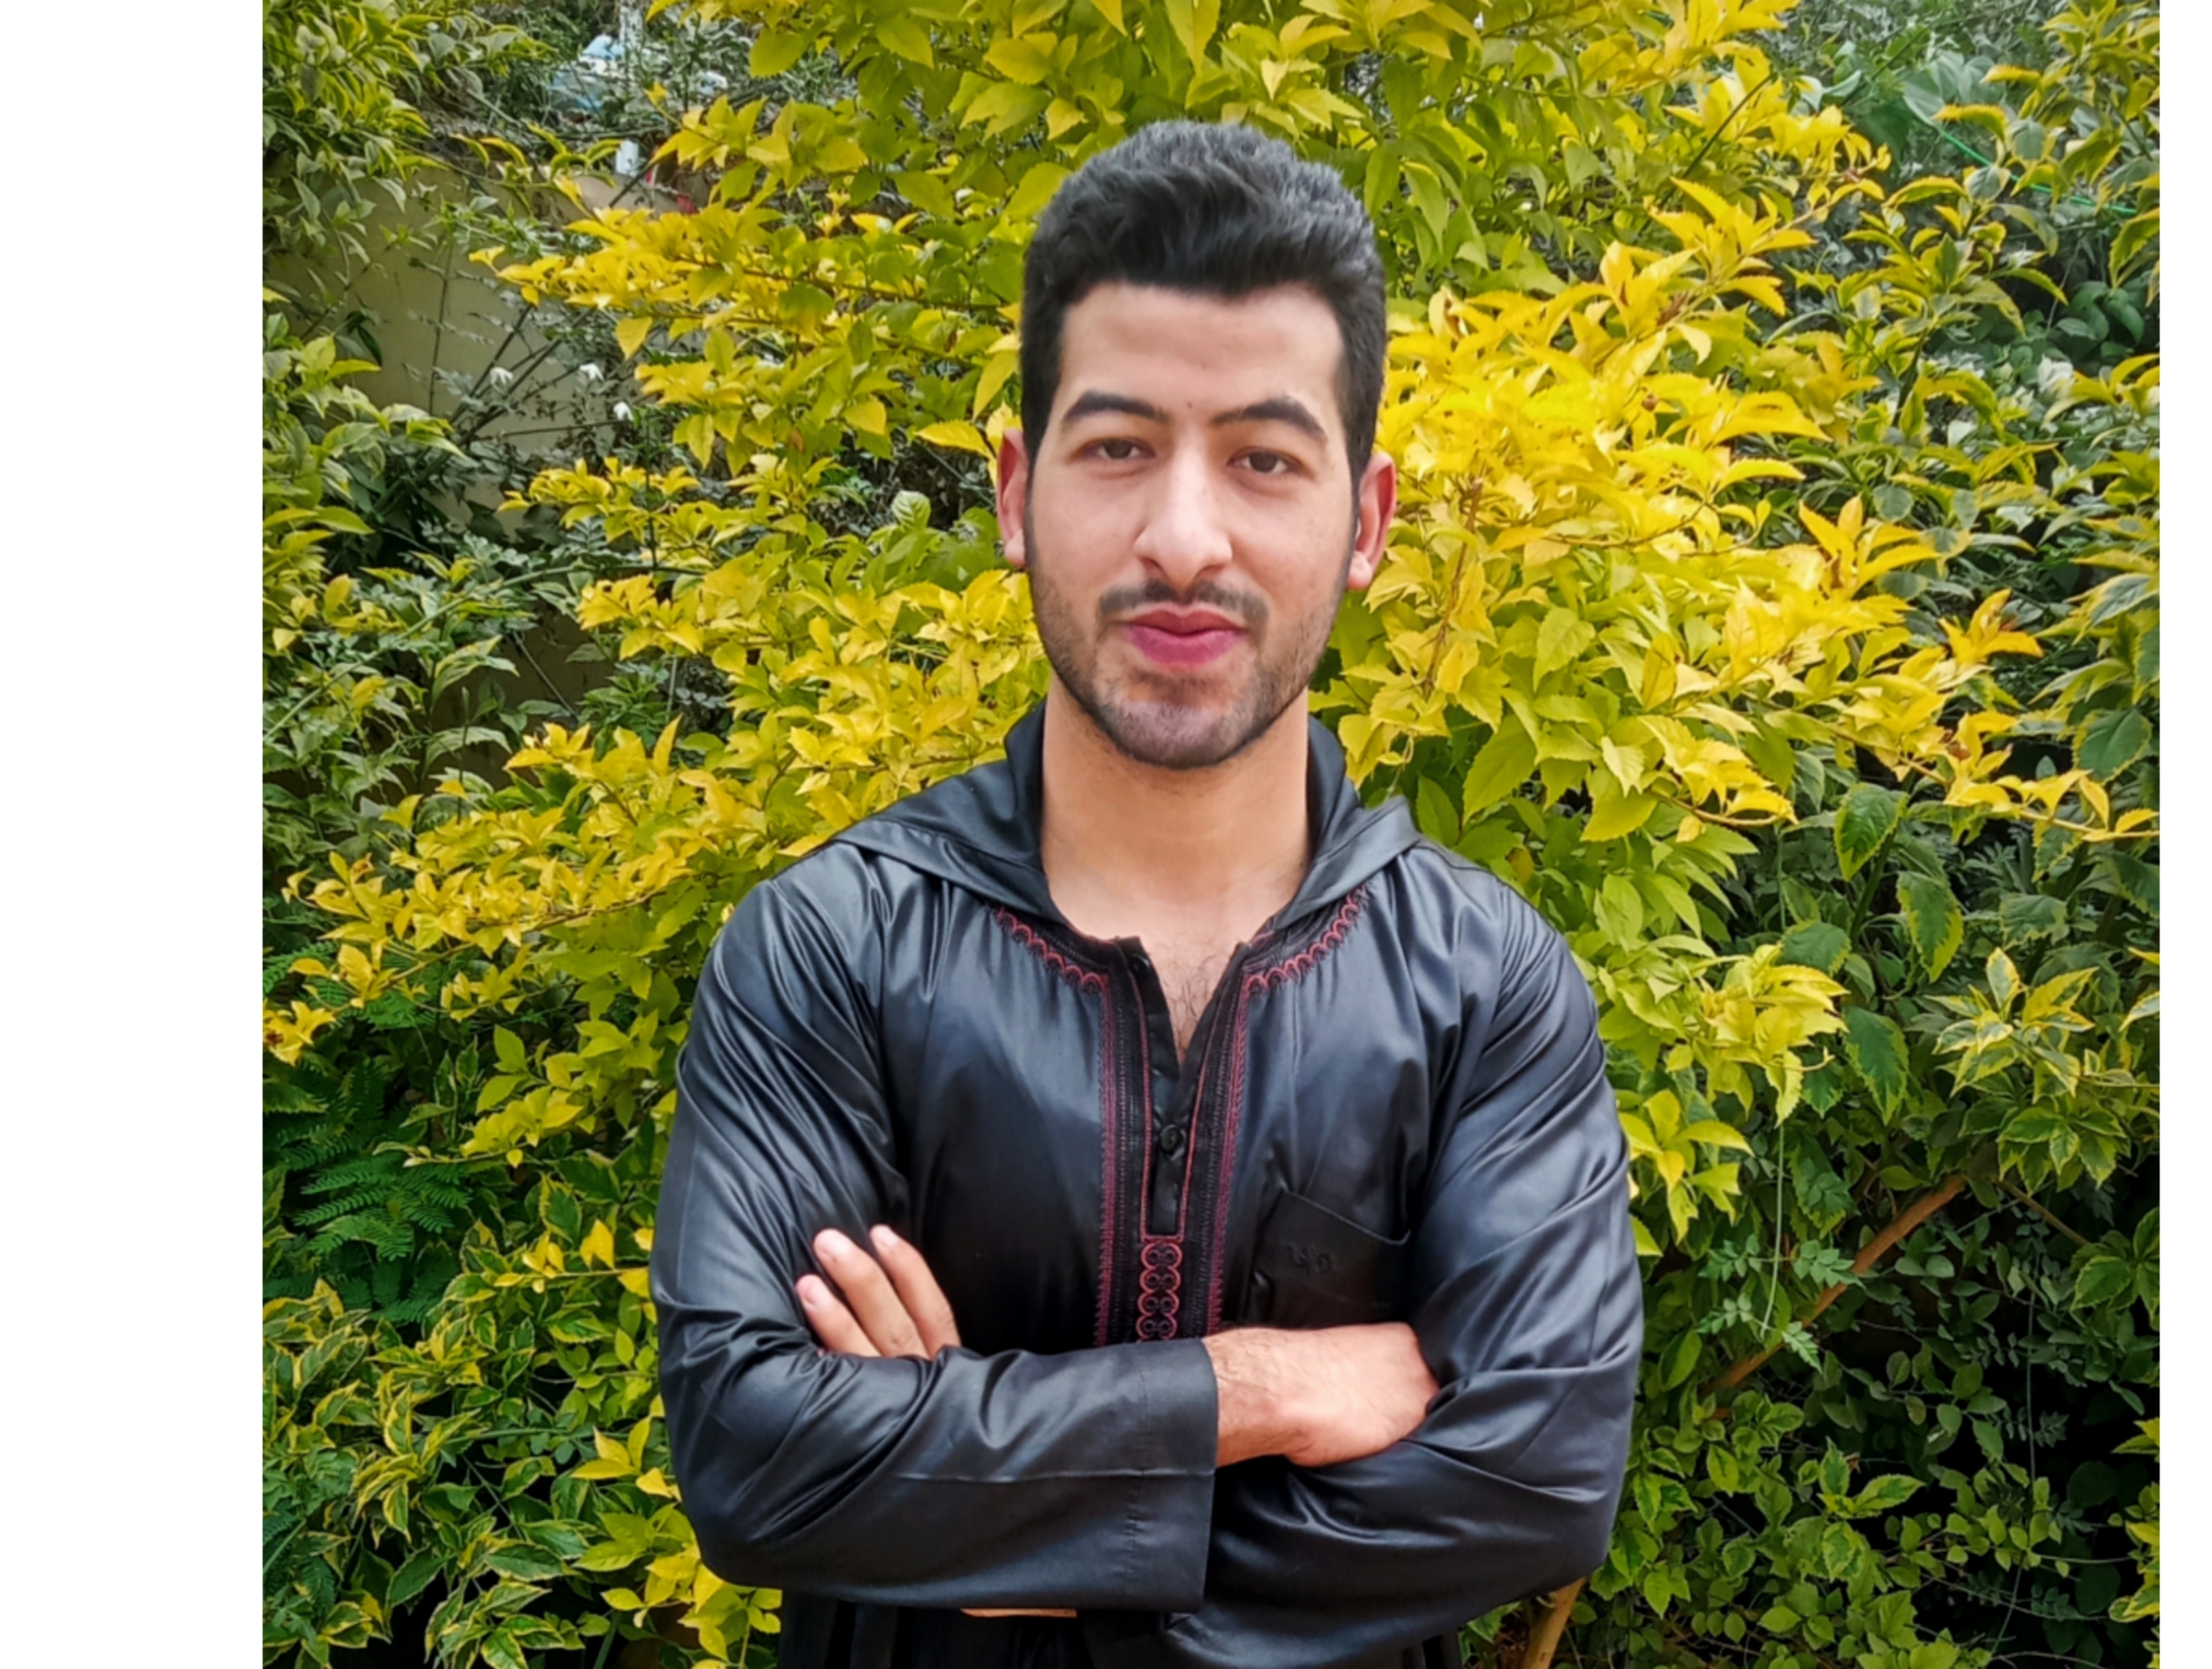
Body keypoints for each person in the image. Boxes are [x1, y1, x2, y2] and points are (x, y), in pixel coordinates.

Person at [653, 119, 1643, 1669]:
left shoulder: (1483, 983)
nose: (1185, 537)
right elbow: (755, 1457)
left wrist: (973, 1489)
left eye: (1265, 458)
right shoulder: (831, 949)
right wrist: (1256, 1394)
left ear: (1367, 523)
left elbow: (1535, 1483)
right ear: (1014, 494)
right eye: (1117, 447)